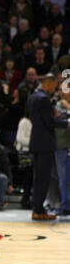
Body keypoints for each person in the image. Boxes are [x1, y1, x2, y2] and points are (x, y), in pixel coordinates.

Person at [28, 73, 70, 220]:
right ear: (48, 84)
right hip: (45, 144)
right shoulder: (44, 99)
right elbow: (50, 122)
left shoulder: (33, 96)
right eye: (54, 86)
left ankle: (37, 209)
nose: (55, 89)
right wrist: (67, 123)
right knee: (43, 179)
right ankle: (39, 211)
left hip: (36, 142)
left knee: (38, 178)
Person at [54, 83, 70, 216]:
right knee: (63, 178)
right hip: (60, 146)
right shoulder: (55, 106)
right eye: (60, 90)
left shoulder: (66, 106)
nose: (62, 92)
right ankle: (65, 206)